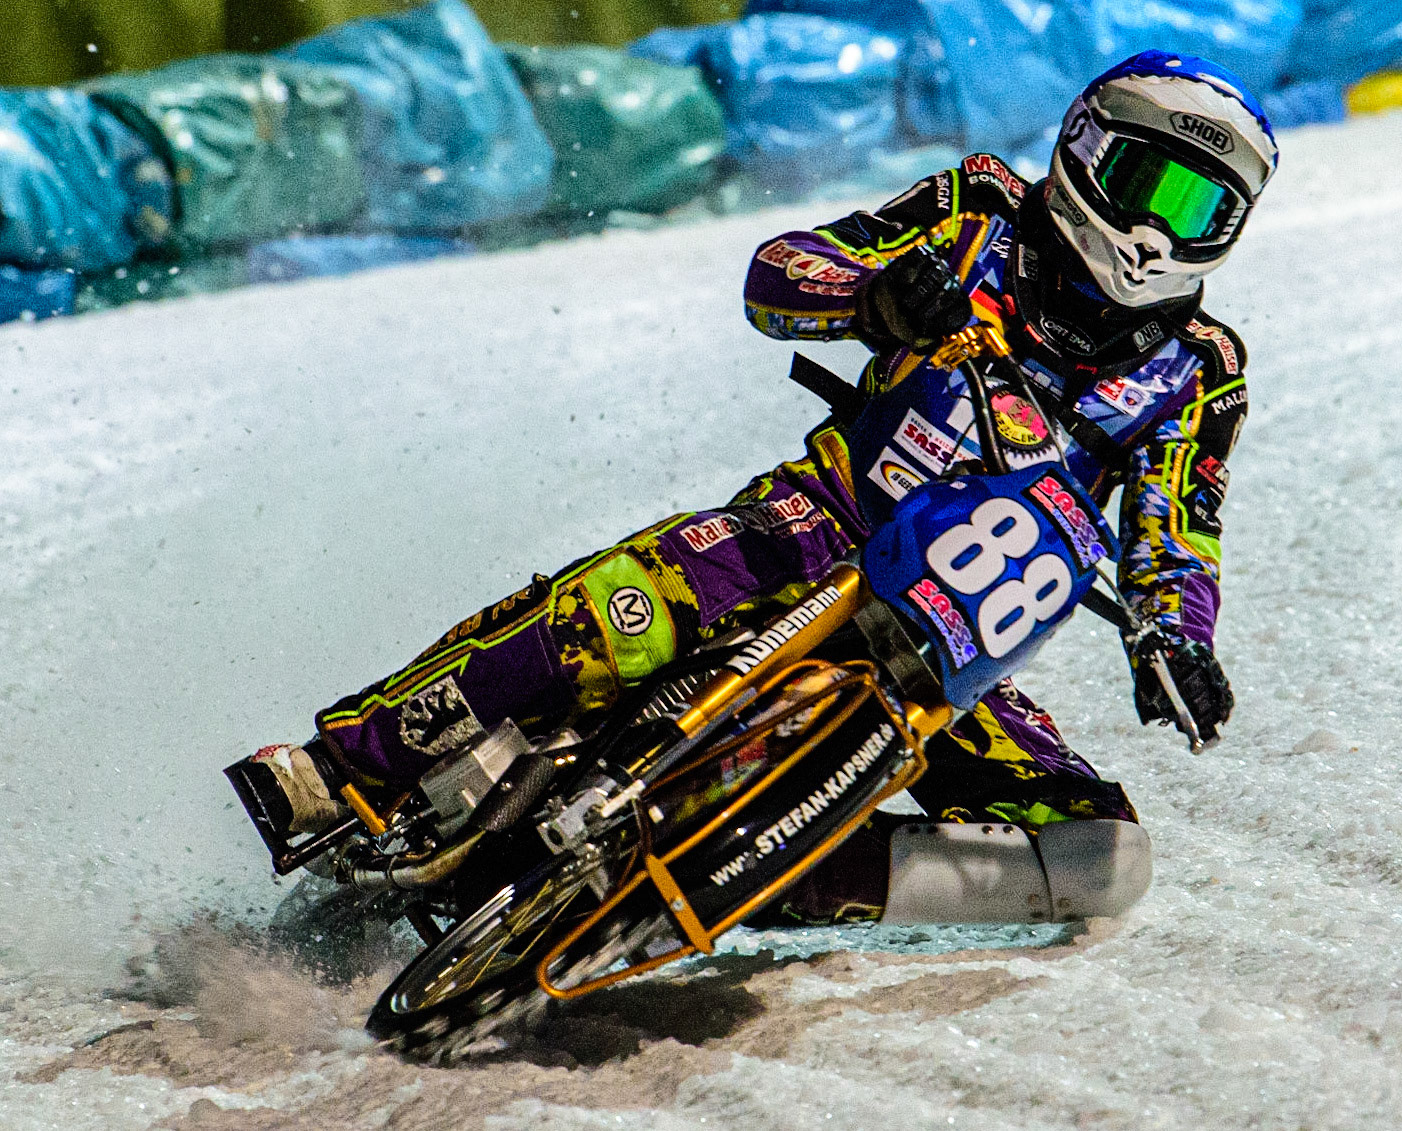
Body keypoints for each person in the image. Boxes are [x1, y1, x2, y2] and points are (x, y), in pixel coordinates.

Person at [232, 51, 1278, 925]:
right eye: (1148, 184)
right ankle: (342, 769)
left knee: (1103, 861)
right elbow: (781, 270)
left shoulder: (1199, 368)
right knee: (619, 614)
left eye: (1196, 209)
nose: (1156, 232)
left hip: (950, 646)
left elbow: (1176, 525)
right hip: (814, 530)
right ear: (1086, 150)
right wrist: (871, 299)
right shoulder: (976, 211)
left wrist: (1172, 634)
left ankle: (774, 878)